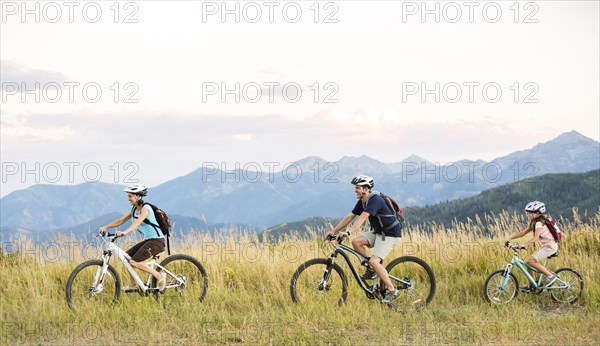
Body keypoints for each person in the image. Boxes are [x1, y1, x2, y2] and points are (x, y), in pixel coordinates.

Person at [324, 175, 403, 304]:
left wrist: (348, 231)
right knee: (356, 242)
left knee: (374, 261)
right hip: (378, 232)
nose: (355, 190)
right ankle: (371, 270)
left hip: (390, 234)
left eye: (357, 187)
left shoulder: (375, 199)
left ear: (366, 189)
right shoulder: (363, 200)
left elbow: (362, 217)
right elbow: (350, 216)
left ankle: (392, 289)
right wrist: (334, 231)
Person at [99, 183, 166, 292]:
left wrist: (125, 232)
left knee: (134, 262)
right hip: (149, 240)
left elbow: (138, 222)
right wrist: (105, 227)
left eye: (130, 196)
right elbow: (120, 221)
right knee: (127, 258)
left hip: (157, 241)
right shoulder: (134, 210)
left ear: (138, 196)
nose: (128, 199)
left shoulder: (146, 208)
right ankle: (133, 284)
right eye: (128, 196)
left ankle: (159, 276)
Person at [504, 201, 558, 292]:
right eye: (527, 212)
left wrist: (524, 244)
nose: (528, 214)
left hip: (550, 247)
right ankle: (531, 286)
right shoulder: (534, 222)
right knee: (528, 263)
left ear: (537, 213)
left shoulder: (539, 223)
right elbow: (523, 233)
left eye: (530, 212)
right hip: (546, 246)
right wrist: (509, 238)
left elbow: (536, 237)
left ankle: (551, 276)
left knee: (531, 261)